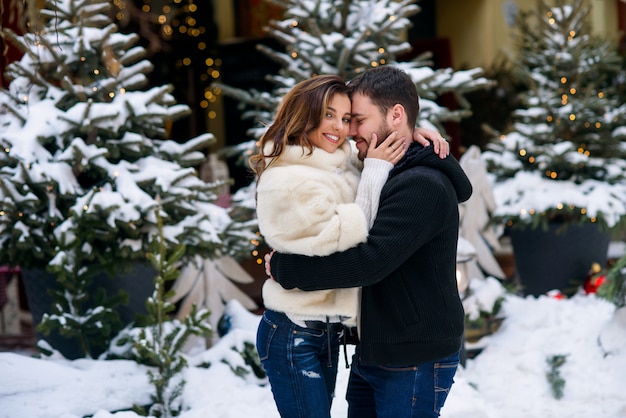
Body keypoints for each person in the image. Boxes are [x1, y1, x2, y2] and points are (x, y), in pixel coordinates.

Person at [267, 66, 473, 418]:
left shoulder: (421, 184)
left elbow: (370, 261)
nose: (349, 132)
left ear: (395, 115)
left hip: (413, 359)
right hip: (378, 353)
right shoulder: (383, 166)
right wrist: (415, 134)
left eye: (357, 120)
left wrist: (288, 269)